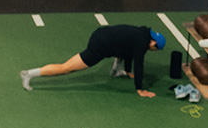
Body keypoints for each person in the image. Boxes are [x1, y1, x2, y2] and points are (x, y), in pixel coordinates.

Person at [20, 24, 166, 98]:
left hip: (102, 33)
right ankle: (29, 74)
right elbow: (139, 64)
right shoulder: (142, 43)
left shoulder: (142, 33)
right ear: (153, 43)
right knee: (66, 68)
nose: (153, 51)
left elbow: (129, 52)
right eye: (155, 49)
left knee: (123, 50)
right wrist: (140, 89)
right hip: (101, 45)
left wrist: (128, 71)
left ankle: (115, 72)